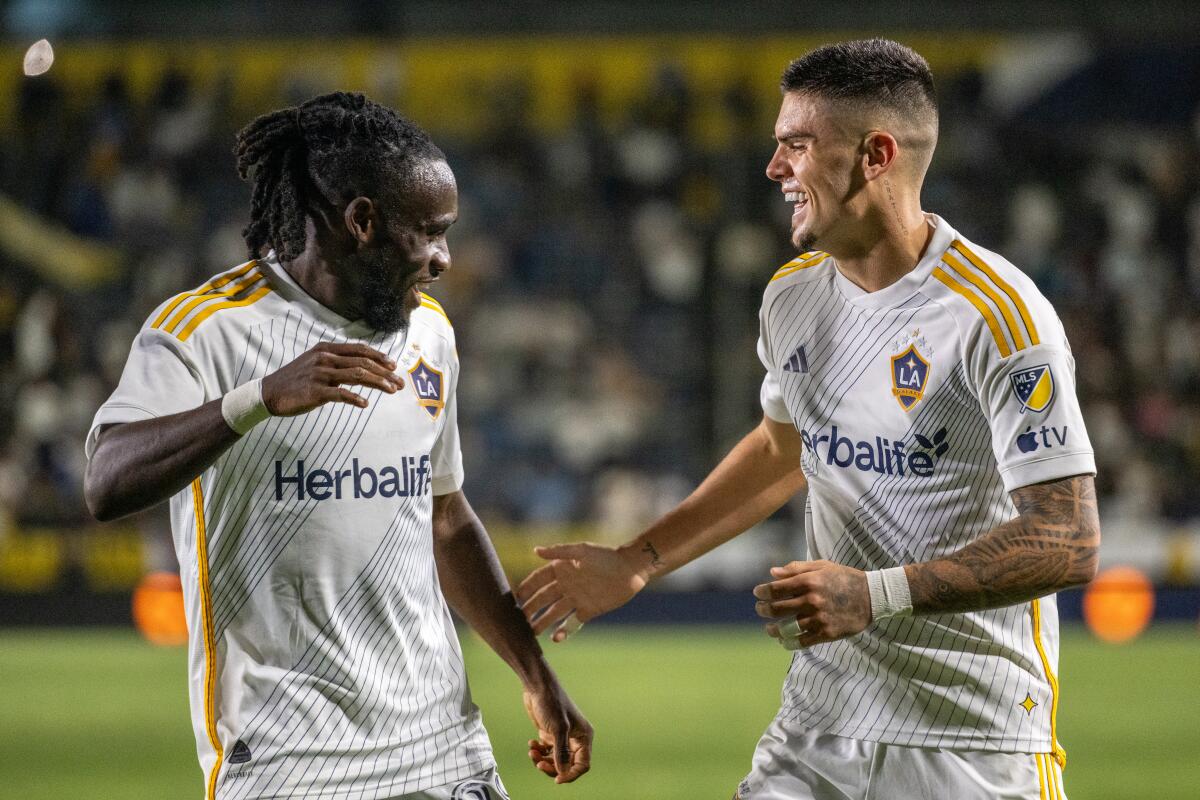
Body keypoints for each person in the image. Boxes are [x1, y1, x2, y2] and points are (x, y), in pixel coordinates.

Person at [517, 39, 1098, 800]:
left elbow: (1069, 538)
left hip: (972, 741)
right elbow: (783, 448)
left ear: (875, 155)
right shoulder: (792, 295)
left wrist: (874, 594)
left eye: (796, 145)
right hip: (818, 728)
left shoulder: (999, 316)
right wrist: (640, 559)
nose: (774, 168)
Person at [84, 92, 591, 800]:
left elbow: (446, 518)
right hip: (288, 761)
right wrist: (255, 400)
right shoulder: (207, 330)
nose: (446, 258)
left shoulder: (430, 335)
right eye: (432, 232)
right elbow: (107, 482)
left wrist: (536, 675)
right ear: (362, 222)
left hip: (442, 746)